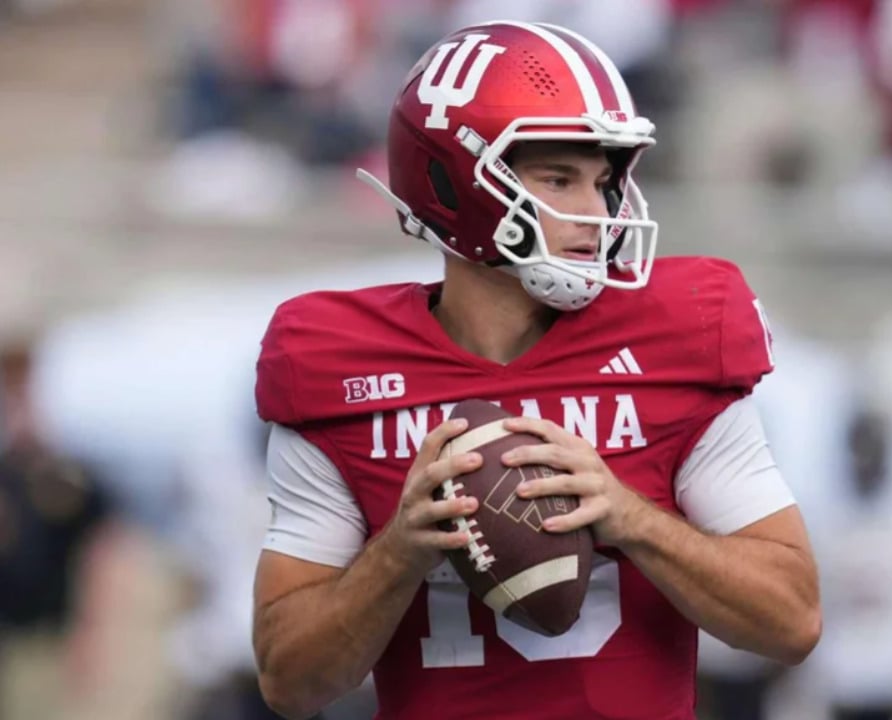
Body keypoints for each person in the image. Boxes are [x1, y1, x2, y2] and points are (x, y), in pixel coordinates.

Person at [250, 20, 821, 720]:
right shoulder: (343, 368)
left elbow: (791, 621)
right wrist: (398, 551)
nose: (596, 213)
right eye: (559, 179)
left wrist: (631, 518)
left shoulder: (673, 343)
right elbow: (288, 681)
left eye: (603, 181)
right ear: (452, 179)